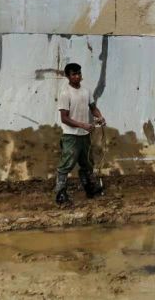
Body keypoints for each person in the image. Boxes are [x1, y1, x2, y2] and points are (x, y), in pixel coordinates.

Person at [55, 62, 107, 205]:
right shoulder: (65, 93)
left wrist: (100, 117)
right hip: (71, 136)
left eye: (79, 73)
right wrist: (82, 125)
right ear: (68, 76)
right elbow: (64, 118)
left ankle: (90, 188)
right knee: (66, 164)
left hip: (85, 135)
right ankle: (60, 194)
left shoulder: (86, 91)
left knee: (87, 163)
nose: (77, 76)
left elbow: (93, 108)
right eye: (74, 74)